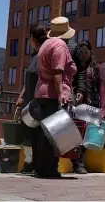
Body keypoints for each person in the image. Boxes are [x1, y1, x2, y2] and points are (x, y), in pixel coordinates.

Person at [34, 17, 77, 178]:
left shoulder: (45, 44)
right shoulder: (60, 45)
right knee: (54, 133)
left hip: (42, 92)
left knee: (44, 133)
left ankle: (41, 167)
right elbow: (58, 72)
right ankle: (49, 168)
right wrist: (60, 94)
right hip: (53, 94)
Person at [15, 24, 48, 173]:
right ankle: (30, 162)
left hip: (37, 102)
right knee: (28, 135)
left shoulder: (42, 54)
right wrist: (21, 96)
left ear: (32, 39)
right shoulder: (34, 56)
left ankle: (35, 163)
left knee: (35, 135)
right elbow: (28, 80)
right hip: (29, 103)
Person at [71, 40, 105, 174]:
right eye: (82, 53)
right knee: (78, 133)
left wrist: (103, 107)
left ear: (91, 52)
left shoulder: (96, 67)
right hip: (78, 104)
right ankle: (77, 163)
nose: (84, 55)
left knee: (88, 134)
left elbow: (101, 88)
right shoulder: (77, 66)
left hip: (92, 104)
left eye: (86, 52)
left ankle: (81, 161)